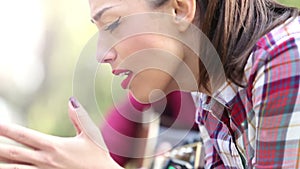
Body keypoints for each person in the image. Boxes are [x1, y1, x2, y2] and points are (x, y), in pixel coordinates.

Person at [0, 0, 299, 168]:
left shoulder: (285, 56)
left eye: (114, 24)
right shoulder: (211, 100)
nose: (101, 54)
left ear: (179, 9)